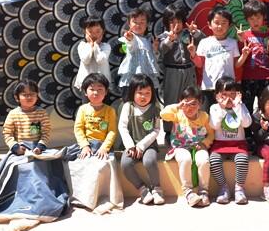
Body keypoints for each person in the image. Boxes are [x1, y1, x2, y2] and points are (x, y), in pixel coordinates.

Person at [161, 86, 214, 207]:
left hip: (198, 146)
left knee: (204, 160)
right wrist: (177, 106)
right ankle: (188, 192)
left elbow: (211, 134)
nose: (189, 108)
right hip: (180, 147)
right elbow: (163, 114)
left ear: (200, 104)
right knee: (185, 159)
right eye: (186, 104)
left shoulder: (204, 116)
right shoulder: (177, 114)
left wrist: (204, 143)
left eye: (193, 104)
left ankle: (204, 191)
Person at [118, 75, 164, 205]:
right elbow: (122, 127)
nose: (143, 96)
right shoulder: (128, 106)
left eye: (147, 93)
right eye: (140, 93)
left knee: (149, 161)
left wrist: (141, 146)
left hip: (149, 145)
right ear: (132, 92)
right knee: (125, 164)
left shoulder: (155, 107)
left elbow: (156, 130)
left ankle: (157, 188)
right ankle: (142, 189)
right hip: (131, 145)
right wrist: (130, 146)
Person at [208, 77, 253, 205]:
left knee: (242, 160)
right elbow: (214, 125)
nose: (228, 98)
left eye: (232, 94)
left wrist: (237, 106)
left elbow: (247, 123)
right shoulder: (214, 108)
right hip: (220, 144)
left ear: (238, 94)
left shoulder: (241, 106)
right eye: (224, 94)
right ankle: (223, 188)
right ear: (217, 95)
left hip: (238, 144)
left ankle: (239, 188)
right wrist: (222, 108)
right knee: (214, 160)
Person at [193, 6, 242, 110]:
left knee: (229, 116)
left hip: (228, 89)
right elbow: (199, 64)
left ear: (229, 25)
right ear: (209, 24)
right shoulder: (204, 42)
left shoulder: (233, 42)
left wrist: (245, 55)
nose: (220, 26)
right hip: (208, 87)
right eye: (216, 22)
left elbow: (237, 64)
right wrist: (193, 55)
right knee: (207, 116)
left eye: (224, 23)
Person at [158, 4, 204, 108]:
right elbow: (161, 49)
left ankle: (189, 118)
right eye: (172, 22)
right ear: (166, 23)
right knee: (172, 102)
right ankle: (170, 119)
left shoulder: (188, 33)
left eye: (179, 21)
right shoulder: (164, 36)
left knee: (190, 99)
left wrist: (195, 32)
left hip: (189, 71)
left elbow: (204, 41)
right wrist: (170, 40)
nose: (176, 25)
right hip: (172, 72)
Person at [238, 0, 269, 115]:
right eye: (251, 19)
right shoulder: (243, 35)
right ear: (246, 19)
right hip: (248, 78)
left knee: (266, 108)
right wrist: (241, 41)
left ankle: (267, 127)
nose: (255, 21)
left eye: (258, 18)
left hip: (267, 77)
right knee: (246, 108)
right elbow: (238, 58)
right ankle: (248, 127)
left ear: (263, 17)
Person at [73, 73, 117, 160]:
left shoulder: (110, 110)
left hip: (104, 146)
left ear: (106, 92)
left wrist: (104, 148)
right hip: (86, 145)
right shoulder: (82, 109)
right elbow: (78, 129)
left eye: (100, 89)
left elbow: (112, 131)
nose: (96, 93)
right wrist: (84, 146)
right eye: (92, 89)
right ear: (85, 92)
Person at [2, 79, 51, 155]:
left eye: (32, 94)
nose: (29, 97)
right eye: (24, 95)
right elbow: (7, 133)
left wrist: (40, 147)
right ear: (17, 97)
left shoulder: (42, 113)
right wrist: (16, 148)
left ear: (37, 96)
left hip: (37, 149)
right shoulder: (13, 114)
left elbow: (46, 133)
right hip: (19, 150)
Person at [117, 8, 160, 90]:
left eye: (142, 22)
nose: (138, 25)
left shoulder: (148, 40)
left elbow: (153, 60)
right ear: (129, 24)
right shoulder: (131, 37)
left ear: (147, 24)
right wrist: (130, 39)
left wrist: (155, 49)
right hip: (132, 78)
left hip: (146, 78)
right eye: (135, 22)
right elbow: (130, 46)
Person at [74, 15, 112, 94]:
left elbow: (100, 60)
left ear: (103, 31)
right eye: (90, 31)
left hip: (102, 84)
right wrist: (91, 45)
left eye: (98, 31)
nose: (94, 34)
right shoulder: (82, 45)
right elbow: (86, 60)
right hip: (86, 84)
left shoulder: (106, 46)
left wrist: (96, 45)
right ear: (85, 31)